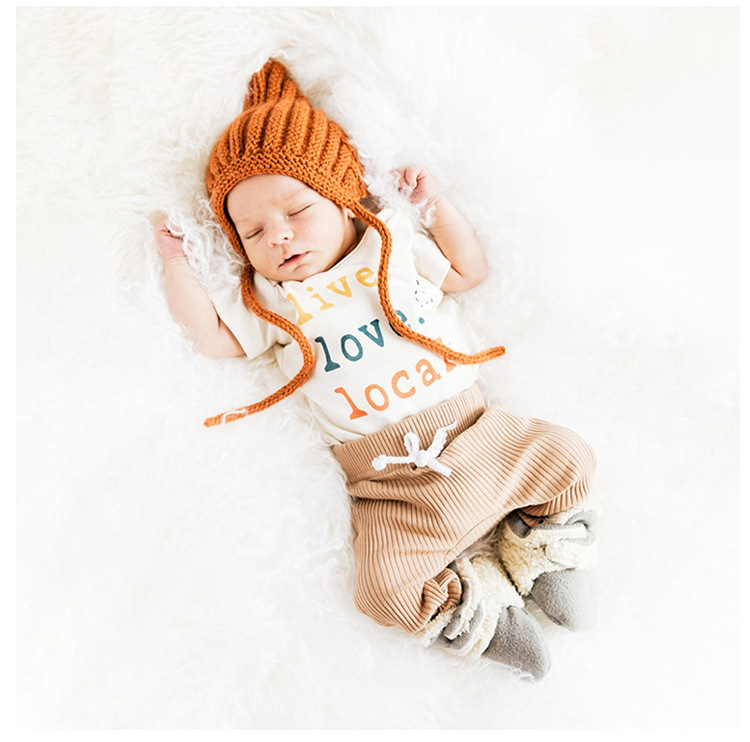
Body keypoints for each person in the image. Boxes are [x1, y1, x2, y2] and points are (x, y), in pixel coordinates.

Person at [156, 59, 600, 681]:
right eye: (252, 231)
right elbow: (210, 338)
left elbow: (467, 271)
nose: (278, 236)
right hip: (390, 489)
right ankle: (474, 610)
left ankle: (543, 545)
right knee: (382, 593)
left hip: (482, 437)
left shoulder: (387, 245)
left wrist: (434, 206)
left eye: (297, 210)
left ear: (342, 199)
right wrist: (177, 263)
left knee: (570, 455)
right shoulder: (269, 298)